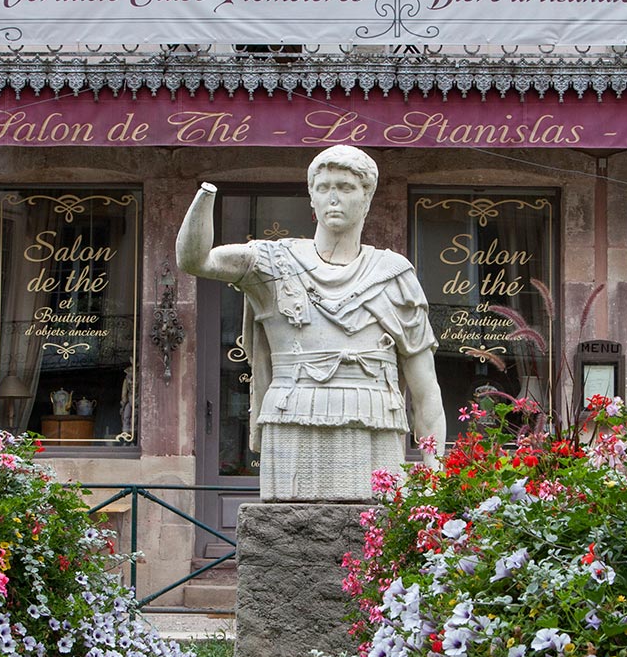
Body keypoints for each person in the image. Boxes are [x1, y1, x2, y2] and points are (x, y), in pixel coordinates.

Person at [176, 145, 447, 501]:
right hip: (292, 417)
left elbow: (425, 387)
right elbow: (196, 261)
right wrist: (206, 197)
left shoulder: (394, 275)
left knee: (374, 541)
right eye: (324, 187)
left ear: (367, 199)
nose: (334, 198)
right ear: (312, 199)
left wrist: (435, 474)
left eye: (346, 188)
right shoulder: (272, 262)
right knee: (287, 538)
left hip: (374, 422)